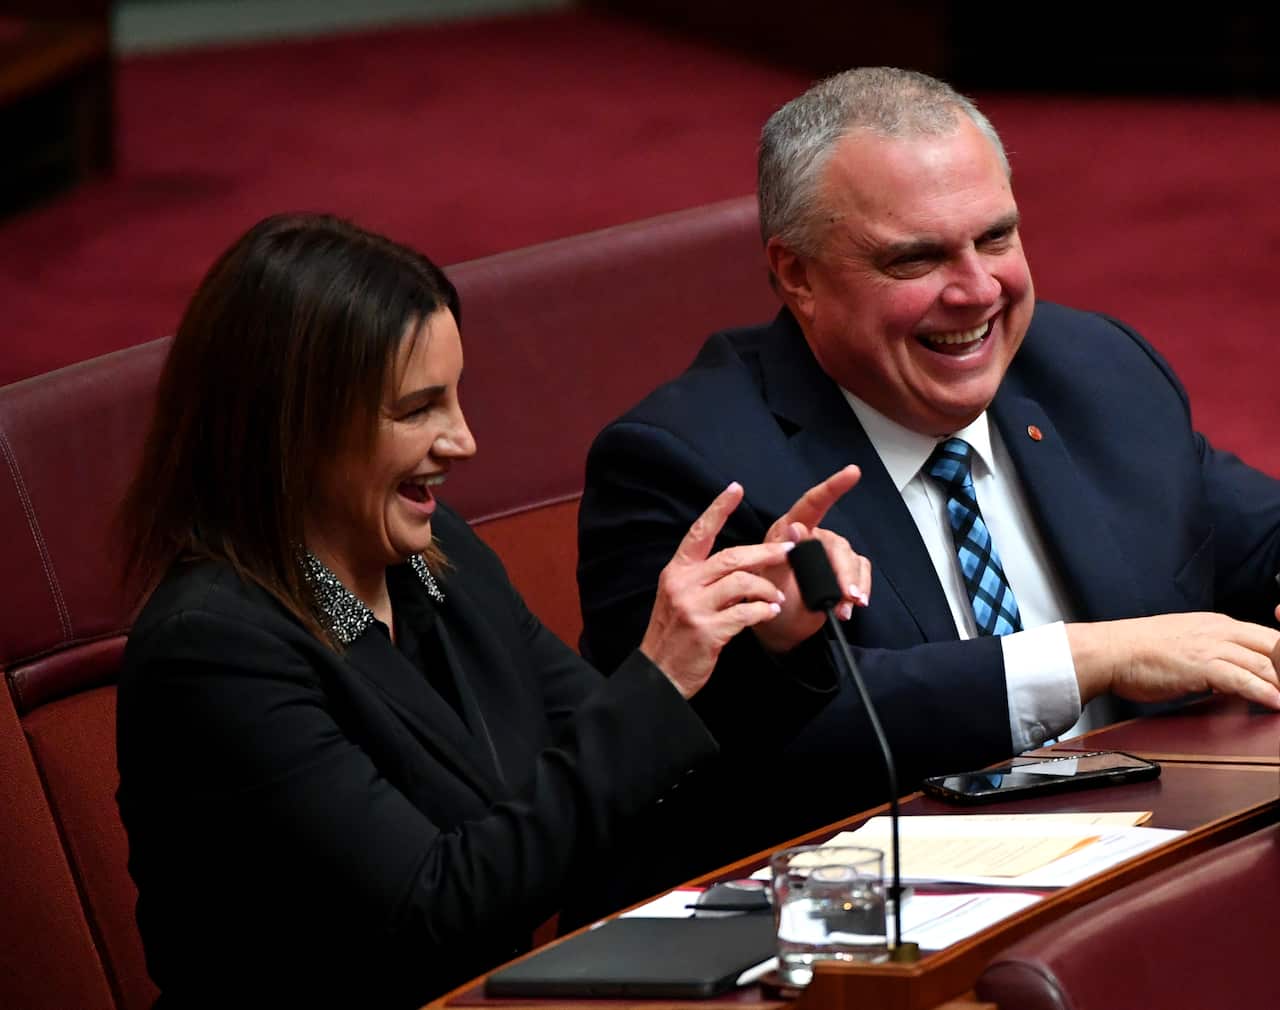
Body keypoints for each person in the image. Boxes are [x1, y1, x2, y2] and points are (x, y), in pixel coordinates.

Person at [114, 214, 871, 1009]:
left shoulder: (439, 561)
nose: (464, 440)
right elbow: (430, 911)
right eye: (418, 409)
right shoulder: (214, 650)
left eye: (456, 397)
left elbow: (641, 786)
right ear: (292, 428)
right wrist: (656, 673)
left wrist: (768, 640)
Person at [577, 67, 1280, 877]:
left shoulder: (1095, 371)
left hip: (1156, 863)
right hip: (870, 922)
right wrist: (1085, 658)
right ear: (797, 274)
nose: (978, 290)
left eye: (996, 238)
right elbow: (767, 743)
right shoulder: (685, 463)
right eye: (917, 259)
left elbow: (1250, 536)